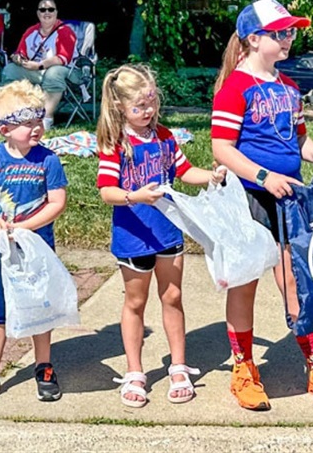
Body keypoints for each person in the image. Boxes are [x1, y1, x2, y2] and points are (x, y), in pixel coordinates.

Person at [210, 0, 313, 411]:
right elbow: (222, 149)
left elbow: (299, 138)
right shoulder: (234, 87)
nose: (289, 38)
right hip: (250, 200)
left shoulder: (289, 88)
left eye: (291, 31)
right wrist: (262, 177)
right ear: (254, 39)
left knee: (298, 281)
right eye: (281, 33)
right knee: (245, 283)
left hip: (291, 200)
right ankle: (243, 368)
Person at [95, 64, 225, 407]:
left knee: (172, 297)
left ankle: (178, 366)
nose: (148, 111)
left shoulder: (165, 137)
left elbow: (184, 171)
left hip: (168, 233)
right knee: (135, 302)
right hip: (133, 236)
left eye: (151, 103)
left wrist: (213, 176)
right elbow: (107, 191)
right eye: (139, 107)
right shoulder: (116, 144)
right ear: (120, 106)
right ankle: (135, 371)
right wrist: (135, 196)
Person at [0, 81, 69, 405]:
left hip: (36, 251)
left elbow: (57, 202)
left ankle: (43, 366)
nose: (36, 128)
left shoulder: (48, 160)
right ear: (4, 128)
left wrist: (25, 225)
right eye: (27, 123)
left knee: (41, 308)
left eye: (40, 121)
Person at [2, 0, 79, 129]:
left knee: (53, 73)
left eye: (50, 9)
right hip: (36, 69)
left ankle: (46, 119)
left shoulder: (64, 31)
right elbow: (20, 52)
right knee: (10, 70)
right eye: (43, 10)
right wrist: (18, 59)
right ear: (38, 14)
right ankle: (13, 114)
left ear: (56, 12)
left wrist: (39, 65)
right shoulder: (31, 31)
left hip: (67, 71)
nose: (47, 13)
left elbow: (62, 58)